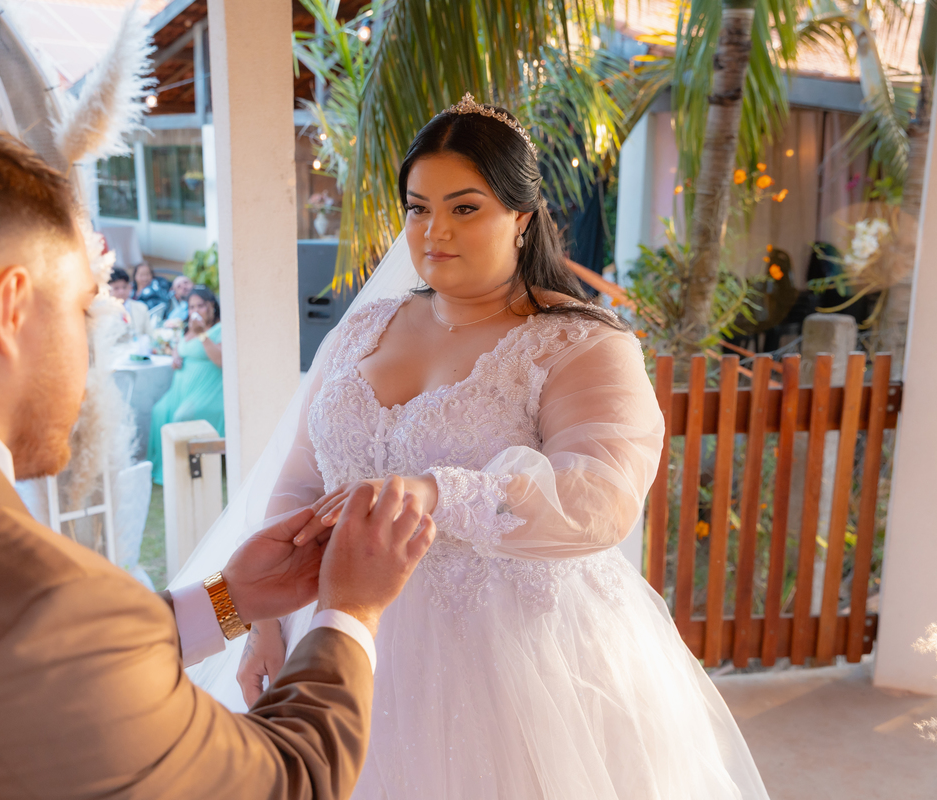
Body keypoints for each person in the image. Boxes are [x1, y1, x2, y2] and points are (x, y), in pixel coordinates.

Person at [0, 117, 437, 800]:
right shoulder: (48, 602)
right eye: (82, 309)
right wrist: (349, 609)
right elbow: (289, 781)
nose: (88, 350)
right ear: (10, 308)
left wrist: (227, 601)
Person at [182, 95, 770, 798]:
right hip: (342, 633)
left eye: (465, 208)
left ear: (521, 219)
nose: (434, 232)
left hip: (513, 658)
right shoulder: (365, 326)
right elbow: (301, 484)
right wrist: (265, 625)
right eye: (417, 208)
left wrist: (441, 491)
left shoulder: (579, 343)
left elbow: (600, 500)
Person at [147, 287, 224, 484]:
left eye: (201, 305)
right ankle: (162, 468)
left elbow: (221, 360)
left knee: (182, 417)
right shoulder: (189, 328)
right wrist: (175, 355)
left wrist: (202, 335)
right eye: (191, 307)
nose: (196, 310)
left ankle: (182, 471)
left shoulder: (220, 329)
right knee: (159, 411)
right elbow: (180, 346)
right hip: (180, 390)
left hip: (208, 390)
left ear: (212, 307)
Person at [109, 266, 155, 338]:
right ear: (108, 290)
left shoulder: (141, 308)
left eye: (124, 287)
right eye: (116, 288)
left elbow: (149, 334)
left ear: (130, 287)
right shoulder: (102, 312)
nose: (121, 292)